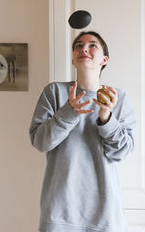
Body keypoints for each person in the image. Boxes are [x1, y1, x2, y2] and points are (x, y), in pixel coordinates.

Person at [29, 31, 136, 232]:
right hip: (59, 213)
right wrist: (69, 112)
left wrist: (106, 117)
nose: (84, 48)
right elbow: (40, 142)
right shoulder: (54, 92)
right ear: (72, 59)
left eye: (92, 45)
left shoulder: (118, 99)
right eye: (78, 45)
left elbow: (122, 152)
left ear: (104, 59)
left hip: (106, 215)